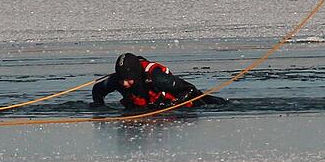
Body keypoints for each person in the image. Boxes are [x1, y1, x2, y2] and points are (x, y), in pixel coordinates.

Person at [91, 53, 227, 110]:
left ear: (136, 75)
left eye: (128, 80)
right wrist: (100, 108)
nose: (124, 84)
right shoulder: (117, 80)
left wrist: (173, 105)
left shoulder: (158, 78)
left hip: (193, 105)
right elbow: (97, 90)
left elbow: (189, 89)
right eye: (122, 80)